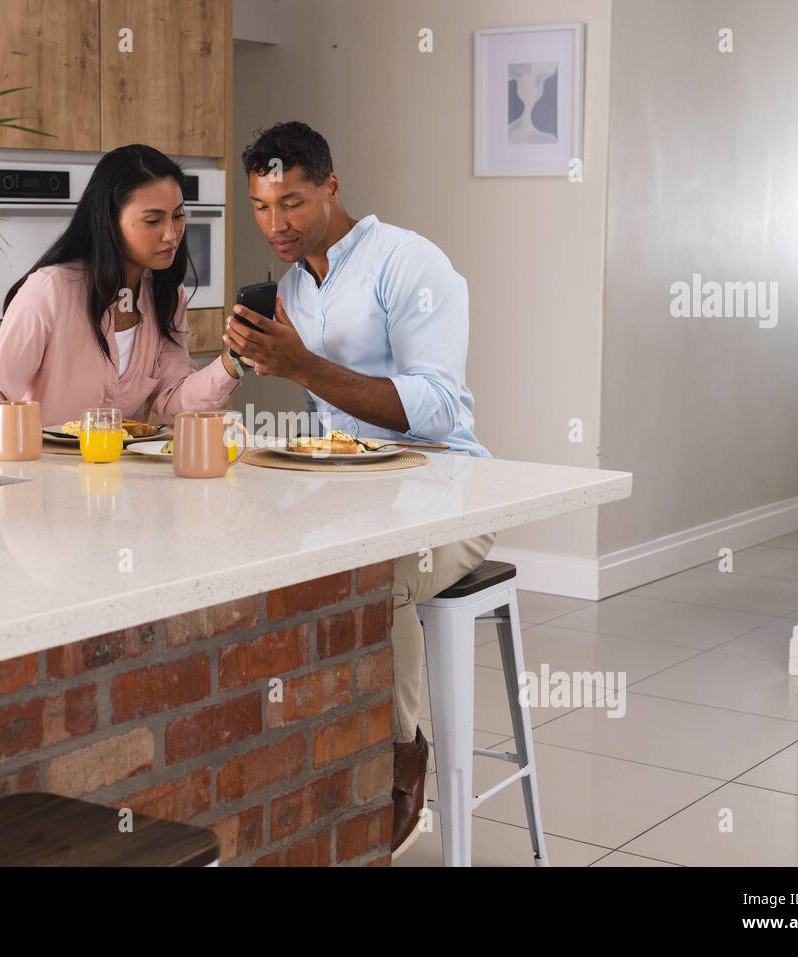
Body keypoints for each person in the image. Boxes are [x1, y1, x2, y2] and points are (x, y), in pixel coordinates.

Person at [225, 121, 497, 860]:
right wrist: (255, 358)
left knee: (379, 576)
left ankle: (402, 750)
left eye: (292, 202)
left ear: (332, 188)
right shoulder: (292, 286)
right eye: (261, 206)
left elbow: (436, 409)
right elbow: (331, 419)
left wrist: (303, 365)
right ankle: (318, 749)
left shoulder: (410, 263)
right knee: (255, 562)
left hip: (450, 487)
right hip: (350, 488)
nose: (275, 224)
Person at [0, 144, 241, 453]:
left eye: (178, 216)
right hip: (45, 474)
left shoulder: (166, 295)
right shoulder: (50, 290)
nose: (171, 234)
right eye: (153, 221)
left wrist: (235, 360)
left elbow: (174, 403)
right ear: (109, 221)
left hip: (125, 476)